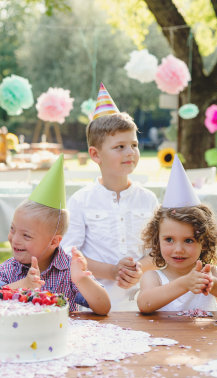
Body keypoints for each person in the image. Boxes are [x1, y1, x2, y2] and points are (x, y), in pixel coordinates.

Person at [59, 83, 158, 311]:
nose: (130, 152)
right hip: (94, 302)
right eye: (120, 146)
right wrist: (113, 271)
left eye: (134, 144)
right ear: (95, 154)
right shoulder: (81, 201)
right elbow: (69, 253)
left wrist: (139, 268)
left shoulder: (148, 200)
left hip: (144, 301)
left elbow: (159, 251)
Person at [0, 155, 111, 315]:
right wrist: (23, 284)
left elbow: (104, 308)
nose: (15, 239)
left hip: (60, 337)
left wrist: (82, 280)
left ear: (54, 241)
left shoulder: (69, 271)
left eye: (26, 235)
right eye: (13, 229)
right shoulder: (8, 271)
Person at [137, 155, 217, 312]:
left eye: (189, 240)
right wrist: (184, 283)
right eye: (169, 239)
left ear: (204, 242)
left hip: (205, 337)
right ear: (157, 241)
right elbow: (144, 304)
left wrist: (213, 284)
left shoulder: (211, 273)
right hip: (163, 337)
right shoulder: (153, 277)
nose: (178, 249)